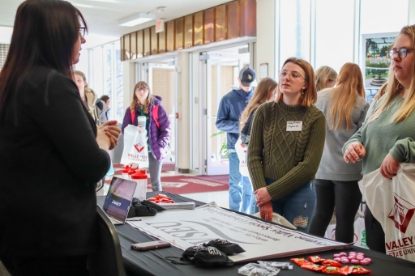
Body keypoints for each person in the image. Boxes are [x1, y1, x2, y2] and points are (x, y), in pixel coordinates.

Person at [0, 0, 121, 275]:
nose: (82, 39)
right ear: (57, 32)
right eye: (78, 30)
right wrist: (100, 143)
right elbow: (91, 166)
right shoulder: (51, 84)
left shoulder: (12, 81)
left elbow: (41, 148)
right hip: (53, 238)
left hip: (19, 229)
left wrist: (92, 135)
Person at [343, 24, 415, 253]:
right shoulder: (386, 95)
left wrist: (402, 150)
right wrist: (351, 144)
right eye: (393, 52)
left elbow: (403, 147)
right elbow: (362, 132)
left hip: (406, 206)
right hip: (376, 203)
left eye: (403, 51)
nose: (395, 58)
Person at [248, 57, 325, 232]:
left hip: (300, 192)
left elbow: (309, 166)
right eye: (283, 73)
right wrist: (265, 195)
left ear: (305, 84)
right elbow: (253, 156)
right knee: (261, 243)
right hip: (264, 188)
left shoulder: (315, 117)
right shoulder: (264, 112)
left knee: (294, 249)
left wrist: (270, 192)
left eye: (294, 75)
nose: (286, 78)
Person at [308, 63, 369, 243]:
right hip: (349, 172)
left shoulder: (319, 98)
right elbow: (363, 137)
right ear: (359, 79)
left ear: (340, 76)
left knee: (320, 215)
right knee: (345, 221)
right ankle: (342, 264)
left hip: (320, 168)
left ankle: (307, 255)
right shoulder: (362, 104)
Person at [216, 67, 256, 214]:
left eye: (250, 84)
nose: (247, 86)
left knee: (249, 184)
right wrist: (239, 126)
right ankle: (235, 213)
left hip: (252, 148)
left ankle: (247, 214)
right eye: (244, 82)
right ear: (238, 80)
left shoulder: (256, 98)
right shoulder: (228, 99)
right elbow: (219, 123)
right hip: (235, 148)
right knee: (235, 183)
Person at [122, 81, 171, 192]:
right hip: (137, 152)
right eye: (138, 89)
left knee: (155, 182)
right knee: (135, 181)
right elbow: (125, 130)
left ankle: (158, 204)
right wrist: (135, 130)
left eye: (144, 88)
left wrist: (160, 145)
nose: (141, 91)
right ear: (135, 92)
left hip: (153, 150)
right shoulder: (131, 110)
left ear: (148, 91)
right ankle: (137, 205)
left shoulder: (158, 109)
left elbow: (166, 129)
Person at [240, 77, 278, 214]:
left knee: (255, 192)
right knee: (258, 193)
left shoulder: (257, 109)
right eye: (275, 92)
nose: (277, 96)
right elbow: (247, 137)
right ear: (267, 92)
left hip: (254, 156)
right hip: (258, 158)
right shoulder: (260, 111)